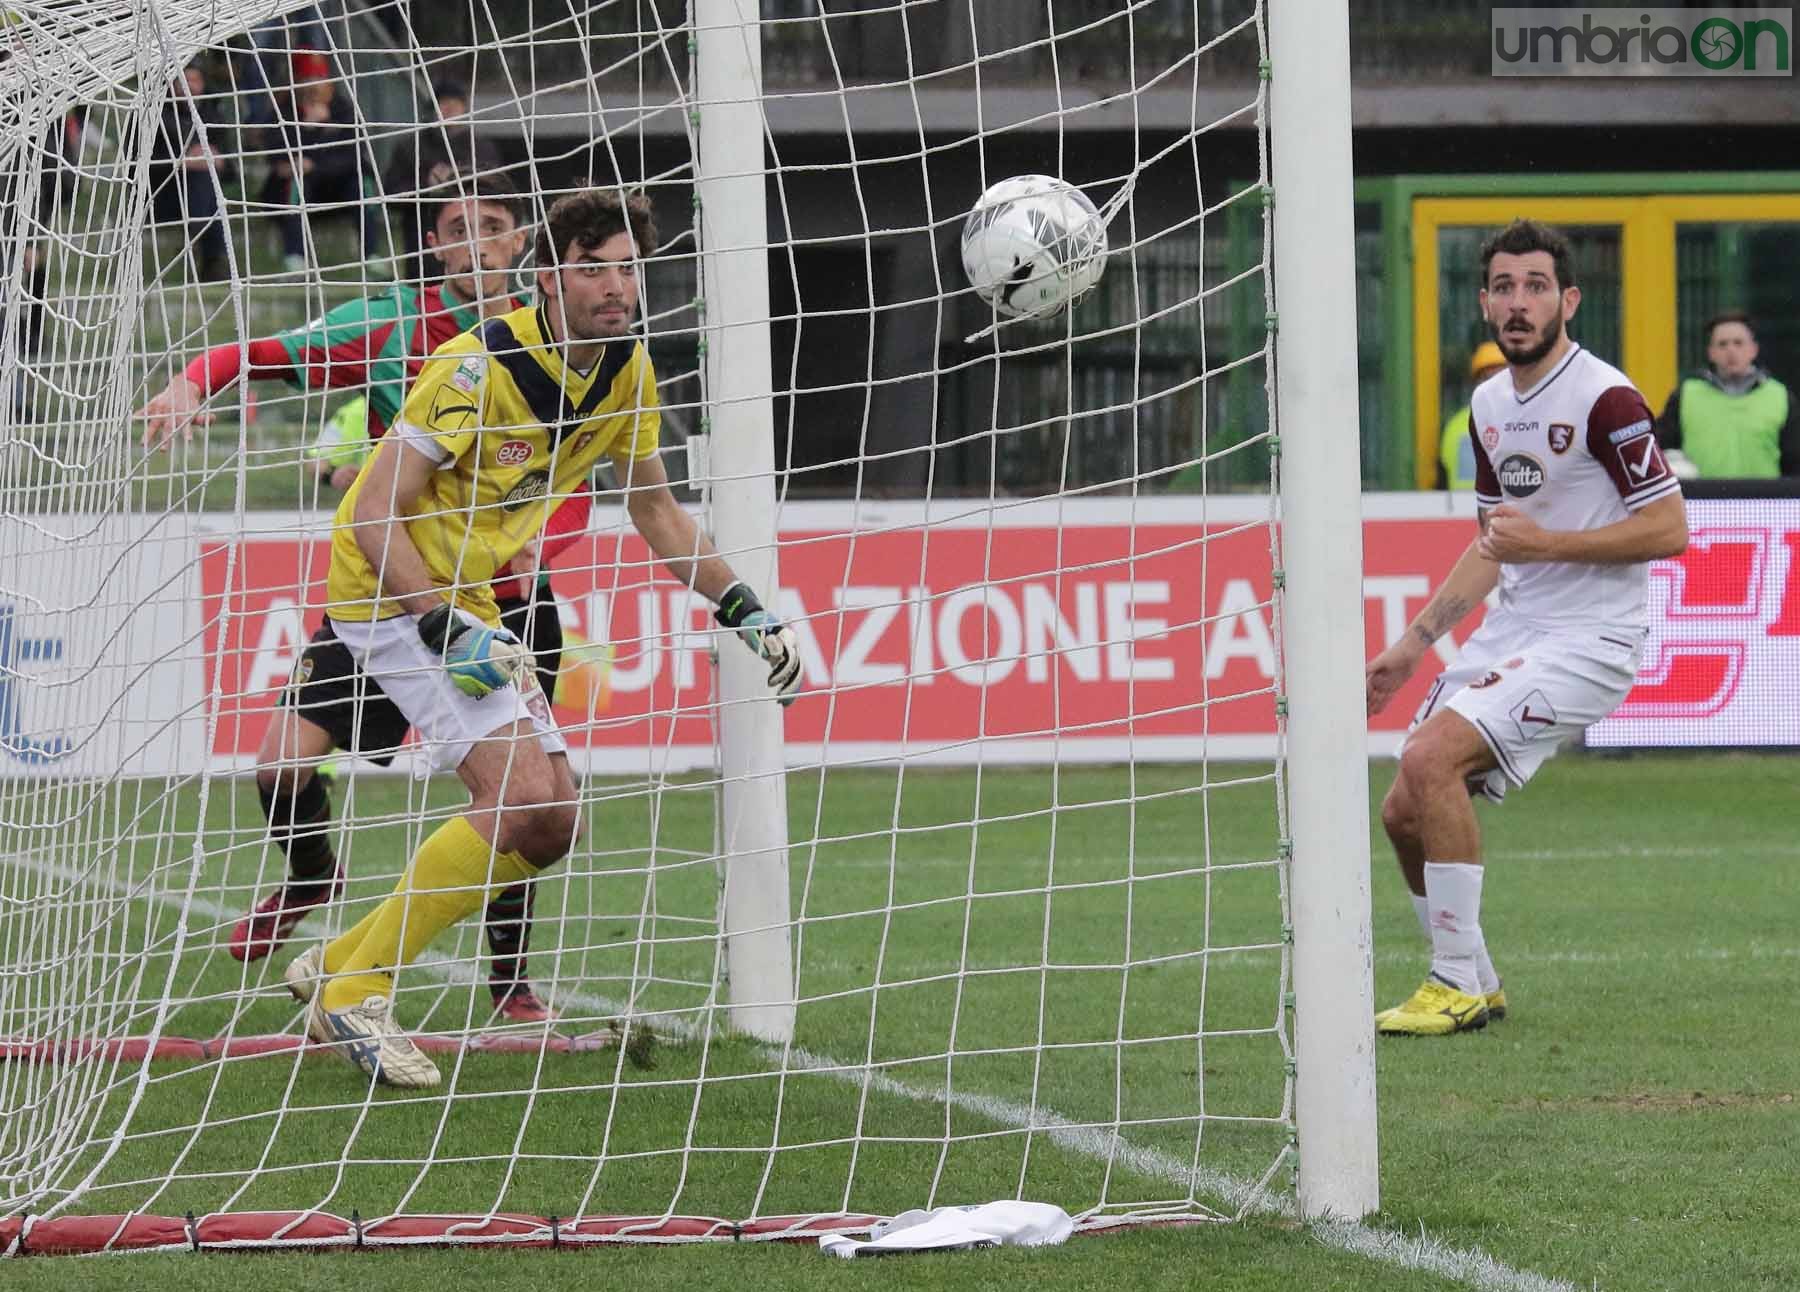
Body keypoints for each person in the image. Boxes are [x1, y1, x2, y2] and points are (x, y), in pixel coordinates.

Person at [272, 187, 799, 1088]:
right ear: (547, 276)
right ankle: (360, 985)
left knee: (552, 820)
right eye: (594, 267)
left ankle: (335, 961)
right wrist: (441, 626)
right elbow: (368, 512)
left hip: (470, 598)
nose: (617, 285)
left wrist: (743, 606)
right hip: (392, 596)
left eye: (628, 266)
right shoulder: (478, 367)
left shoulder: (628, 366)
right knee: (515, 791)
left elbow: (656, 508)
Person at [138, 173, 577, 1023]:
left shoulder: (558, 344)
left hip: (507, 606)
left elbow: (587, 490)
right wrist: (195, 380)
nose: (477, 242)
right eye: (458, 226)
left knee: (522, 797)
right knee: (279, 763)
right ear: (436, 243)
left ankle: (511, 985)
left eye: (494, 226)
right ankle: (312, 876)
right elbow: (259, 353)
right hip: (388, 595)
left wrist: (523, 550)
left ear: (522, 242)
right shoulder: (391, 326)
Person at [1365, 218, 1687, 1037]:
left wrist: (1552, 543)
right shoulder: (1485, 403)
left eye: (1536, 286)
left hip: (1592, 640)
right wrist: (1410, 647)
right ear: (1483, 302)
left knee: (1433, 757)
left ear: (1568, 299)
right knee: (1403, 810)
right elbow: (1493, 546)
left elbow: (1671, 529)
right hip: (1513, 632)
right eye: (1504, 287)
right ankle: (1478, 977)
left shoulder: (1606, 396)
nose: (1519, 303)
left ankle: (1449, 983)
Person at [257, 63, 381, 274]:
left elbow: (353, 155)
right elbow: (277, 156)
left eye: (318, 80)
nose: (313, 88)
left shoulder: (343, 110)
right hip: (304, 188)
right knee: (296, 185)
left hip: (339, 186)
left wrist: (315, 163)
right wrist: (307, 130)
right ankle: (295, 257)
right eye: (307, 81)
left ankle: (372, 255)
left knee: (363, 185)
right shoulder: (283, 111)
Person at [382, 77, 504, 283]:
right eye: (443, 104)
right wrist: (426, 186)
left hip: (472, 234)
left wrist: (463, 180)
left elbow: (498, 188)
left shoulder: (481, 147)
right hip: (422, 236)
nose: (449, 110)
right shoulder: (411, 146)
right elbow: (391, 193)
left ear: (464, 108)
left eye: (454, 104)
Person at [1653, 310, 1800, 479]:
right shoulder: (1686, 394)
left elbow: (1795, 464)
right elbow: (1660, 450)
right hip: (1703, 502)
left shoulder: (1779, 396)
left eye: (1738, 343)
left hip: (1764, 502)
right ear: (1711, 352)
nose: (1730, 350)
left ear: (1754, 349)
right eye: (1722, 344)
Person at [148, 62, 234, 281]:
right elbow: (135, 169)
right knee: (202, 180)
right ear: (171, 85)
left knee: (204, 180)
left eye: (196, 81)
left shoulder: (213, 117)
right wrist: (182, 162)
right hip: (162, 195)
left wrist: (218, 161)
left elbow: (232, 171)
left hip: (200, 198)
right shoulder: (152, 117)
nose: (190, 87)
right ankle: (211, 256)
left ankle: (196, 240)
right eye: (184, 81)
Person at [1437, 341, 1508, 491]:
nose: (1494, 386)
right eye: (1488, 378)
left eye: (1501, 377)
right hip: (1463, 511)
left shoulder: (1455, 425)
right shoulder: (1455, 427)